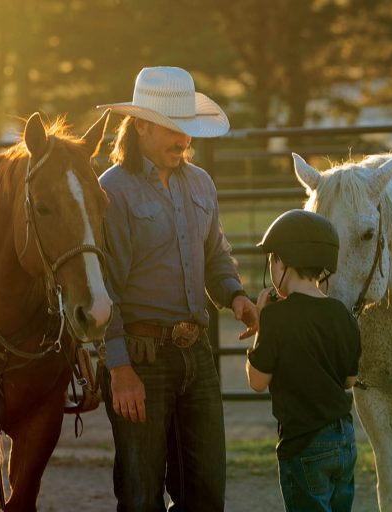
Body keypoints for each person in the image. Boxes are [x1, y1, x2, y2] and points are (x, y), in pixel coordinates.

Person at [96, 66, 259, 511]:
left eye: (186, 130)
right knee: (141, 495)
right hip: (141, 358)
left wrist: (236, 296)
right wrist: (119, 369)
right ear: (142, 126)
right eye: (173, 130)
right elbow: (104, 287)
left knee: (206, 493)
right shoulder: (112, 192)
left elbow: (216, 257)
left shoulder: (201, 184)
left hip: (196, 355)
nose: (184, 141)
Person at [246, 209, 361, 512]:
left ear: (281, 261)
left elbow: (257, 381)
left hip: (305, 441)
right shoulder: (342, 314)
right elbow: (349, 380)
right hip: (344, 439)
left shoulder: (277, 318)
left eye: (272, 259)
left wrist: (261, 325)